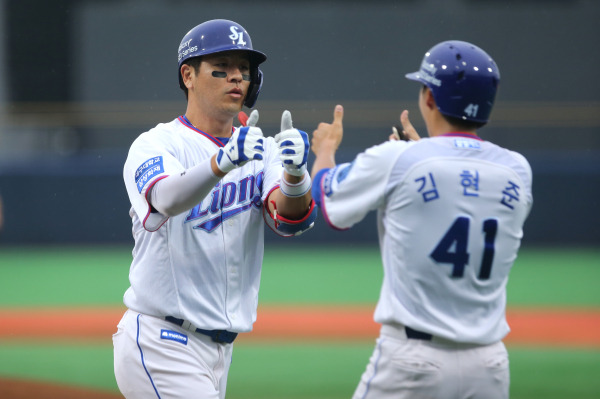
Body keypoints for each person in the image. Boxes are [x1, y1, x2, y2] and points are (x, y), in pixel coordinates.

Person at [311, 41, 533, 399]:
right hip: (490, 366)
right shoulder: (517, 170)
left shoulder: (399, 158)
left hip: (413, 362)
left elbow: (328, 200)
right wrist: (422, 154)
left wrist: (325, 150)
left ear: (429, 97)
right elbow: (462, 186)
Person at [113, 19, 316, 399]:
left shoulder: (263, 149)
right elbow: (167, 199)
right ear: (188, 75)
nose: (236, 77)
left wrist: (295, 174)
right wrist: (221, 163)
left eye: (244, 68)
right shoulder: (157, 144)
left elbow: (292, 220)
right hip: (162, 341)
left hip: (221, 350)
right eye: (221, 67)